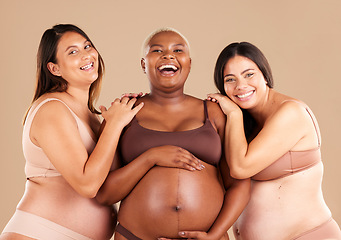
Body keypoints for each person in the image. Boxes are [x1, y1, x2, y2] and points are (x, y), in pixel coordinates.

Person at [96, 28, 251, 240]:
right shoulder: (124, 113)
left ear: (188, 62)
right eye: (157, 50)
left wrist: (214, 235)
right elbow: (105, 194)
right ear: (144, 64)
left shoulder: (214, 112)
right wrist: (150, 157)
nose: (168, 55)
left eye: (178, 50)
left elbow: (239, 183)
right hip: (135, 236)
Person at [0, 24, 143, 240]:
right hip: (40, 234)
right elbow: (87, 184)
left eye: (87, 46)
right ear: (54, 69)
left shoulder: (92, 116)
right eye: (73, 52)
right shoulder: (52, 109)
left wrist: (117, 120)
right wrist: (114, 126)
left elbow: (110, 180)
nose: (86, 55)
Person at [207, 42, 341, 240]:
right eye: (230, 79)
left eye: (249, 74)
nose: (240, 85)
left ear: (265, 75)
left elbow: (241, 168)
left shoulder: (291, 113)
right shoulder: (244, 125)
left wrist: (234, 113)